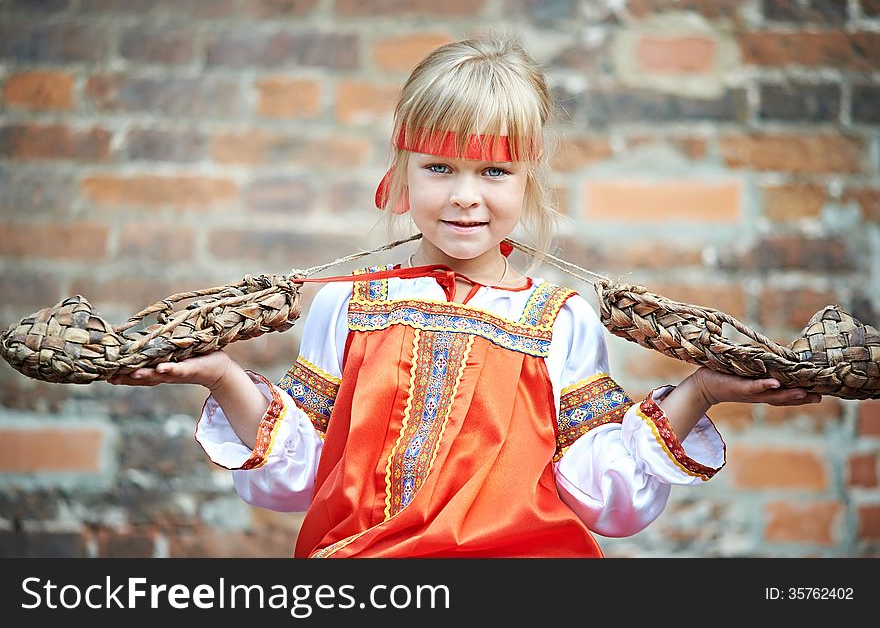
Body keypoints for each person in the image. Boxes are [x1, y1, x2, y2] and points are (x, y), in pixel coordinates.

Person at [109, 33, 822, 558]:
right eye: (440, 166)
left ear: (529, 181)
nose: (464, 196)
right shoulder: (347, 304)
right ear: (402, 170)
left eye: (494, 172)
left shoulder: (560, 321)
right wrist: (221, 373)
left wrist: (700, 390)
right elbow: (303, 473)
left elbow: (605, 498)